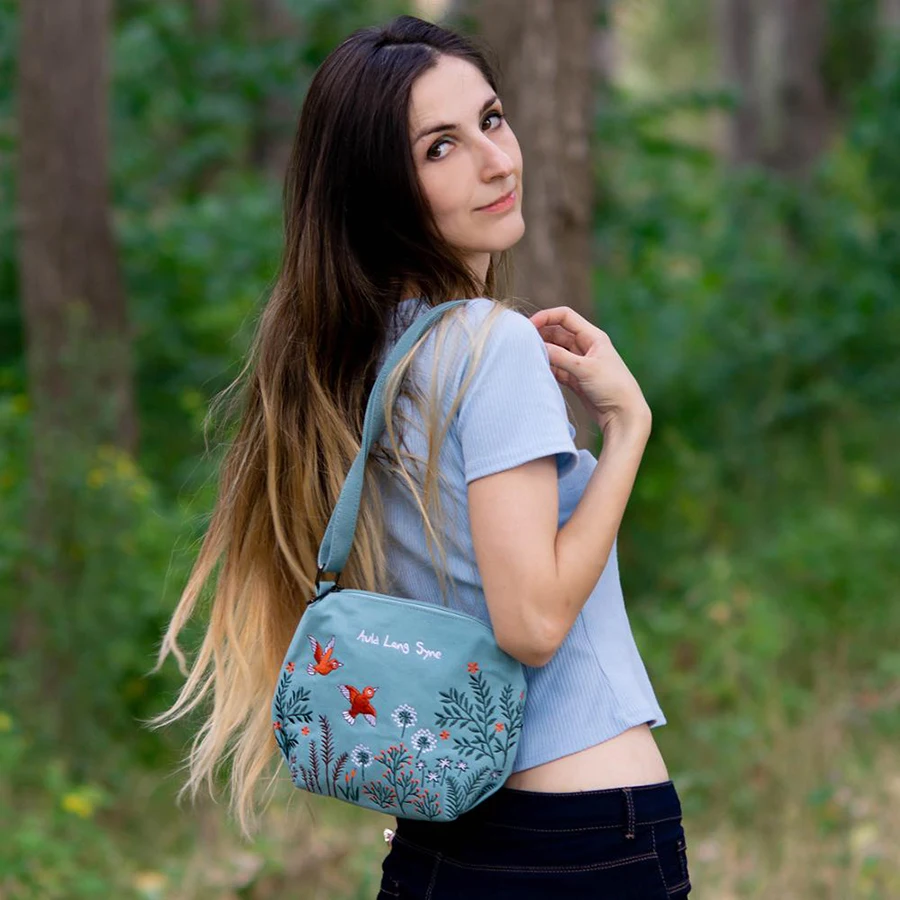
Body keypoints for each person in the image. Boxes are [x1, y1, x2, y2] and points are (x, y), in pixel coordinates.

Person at [149, 13, 691, 900]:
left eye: (492, 119)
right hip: (579, 841)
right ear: (382, 192)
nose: (497, 160)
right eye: (441, 147)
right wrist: (628, 430)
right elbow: (532, 624)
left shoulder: (353, 361)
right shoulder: (489, 346)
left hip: (440, 846)